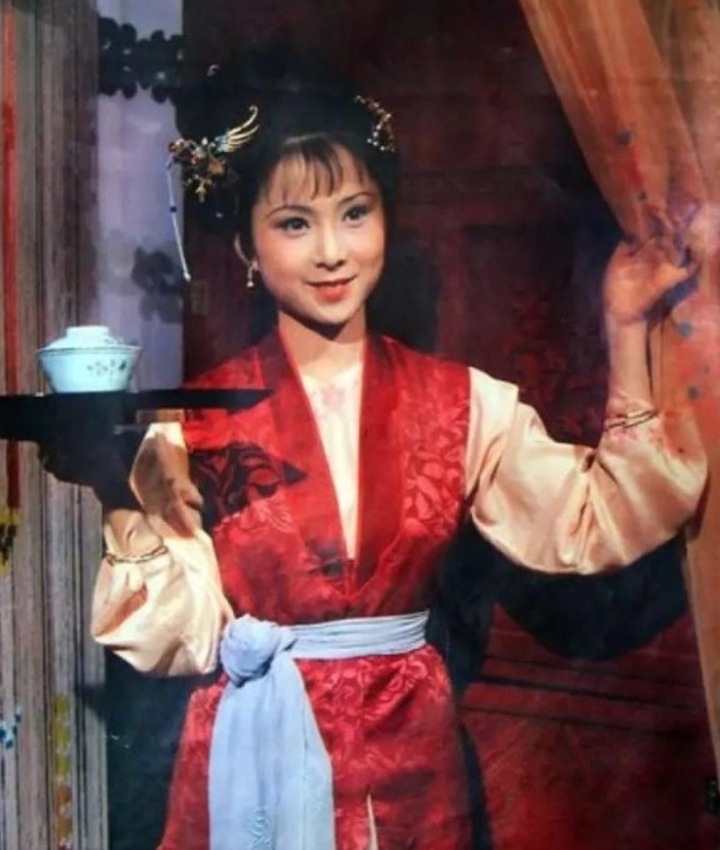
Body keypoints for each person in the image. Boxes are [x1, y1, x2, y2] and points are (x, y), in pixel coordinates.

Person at [73, 46, 706, 850]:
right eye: (294, 224)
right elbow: (181, 634)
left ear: (386, 218)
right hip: (254, 754)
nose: (332, 251)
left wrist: (625, 327)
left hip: (412, 763)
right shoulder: (193, 425)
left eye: (355, 213)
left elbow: (597, 516)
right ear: (247, 249)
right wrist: (118, 496)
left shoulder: (462, 403)